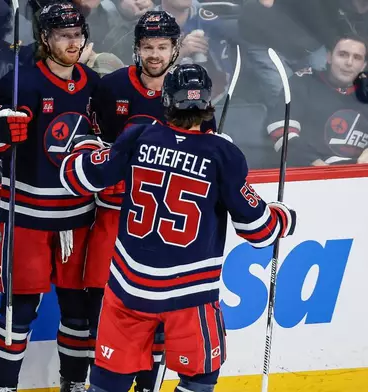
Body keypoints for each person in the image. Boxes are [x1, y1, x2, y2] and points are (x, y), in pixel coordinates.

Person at [60, 63, 297, 392]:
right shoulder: (222, 154)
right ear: (208, 106)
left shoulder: (139, 136)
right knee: (199, 381)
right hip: (189, 295)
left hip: (129, 288)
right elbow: (261, 231)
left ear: (166, 101)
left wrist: (86, 147)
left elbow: (79, 177)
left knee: (108, 381)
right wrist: (283, 216)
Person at [86, 11, 215, 392]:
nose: (155, 55)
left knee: (157, 322)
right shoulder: (110, 87)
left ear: (176, 48)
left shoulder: (193, 95)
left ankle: (146, 386)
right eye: (147, 47)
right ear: (136, 48)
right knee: (108, 314)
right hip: (115, 218)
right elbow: (98, 147)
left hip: (167, 230)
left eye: (162, 47)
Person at [0, 2, 100, 391]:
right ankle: (5, 387)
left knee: (78, 313)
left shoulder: (95, 85)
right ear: (45, 39)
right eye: (63, 35)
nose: (72, 43)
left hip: (79, 218)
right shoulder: (22, 82)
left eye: (77, 35)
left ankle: (74, 384)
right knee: (17, 312)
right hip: (26, 218)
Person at [265, 36, 368, 167]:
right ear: (329, 57)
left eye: (357, 58)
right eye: (342, 55)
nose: (349, 62)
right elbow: (280, 131)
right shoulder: (305, 83)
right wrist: (316, 166)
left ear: (363, 65)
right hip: (308, 175)